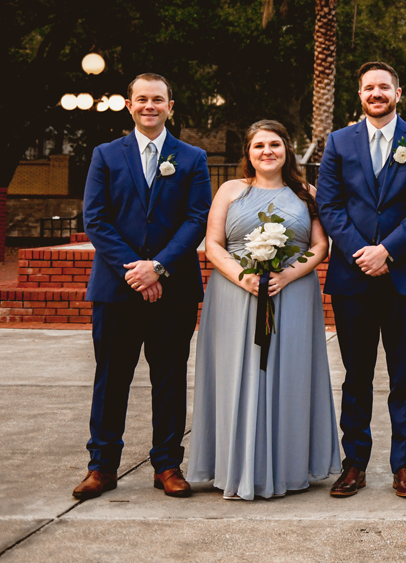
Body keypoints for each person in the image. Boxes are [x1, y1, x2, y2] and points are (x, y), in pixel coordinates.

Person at [73, 73, 212, 500]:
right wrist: (134, 270)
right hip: (117, 288)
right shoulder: (106, 154)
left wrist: (160, 267)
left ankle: (167, 464)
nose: (149, 105)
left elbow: (197, 218)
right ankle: (102, 466)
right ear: (129, 105)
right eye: (141, 99)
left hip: (174, 288)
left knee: (169, 378)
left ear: (171, 106)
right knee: (111, 377)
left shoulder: (191, 157)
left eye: (158, 99)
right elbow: (95, 218)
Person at [187, 120, 340, 499]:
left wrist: (286, 276)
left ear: (287, 150)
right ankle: (233, 465)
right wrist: (244, 277)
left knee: (289, 373)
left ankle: (288, 466)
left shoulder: (306, 192)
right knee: (234, 374)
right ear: (248, 153)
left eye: (275, 144)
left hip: (293, 293)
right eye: (259, 146)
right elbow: (213, 243)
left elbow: (320, 246)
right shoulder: (230, 190)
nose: (267, 151)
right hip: (235, 294)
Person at [316, 61, 406, 499]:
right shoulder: (338, 142)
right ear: (360, 94)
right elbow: (330, 206)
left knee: (404, 376)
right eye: (369, 87)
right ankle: (354, 464)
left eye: (384, 87)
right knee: (356, 376)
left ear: (398, 92)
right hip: (353, 277)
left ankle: (404, 465)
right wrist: (362, 253)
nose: (376, 93)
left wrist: (387, 251)